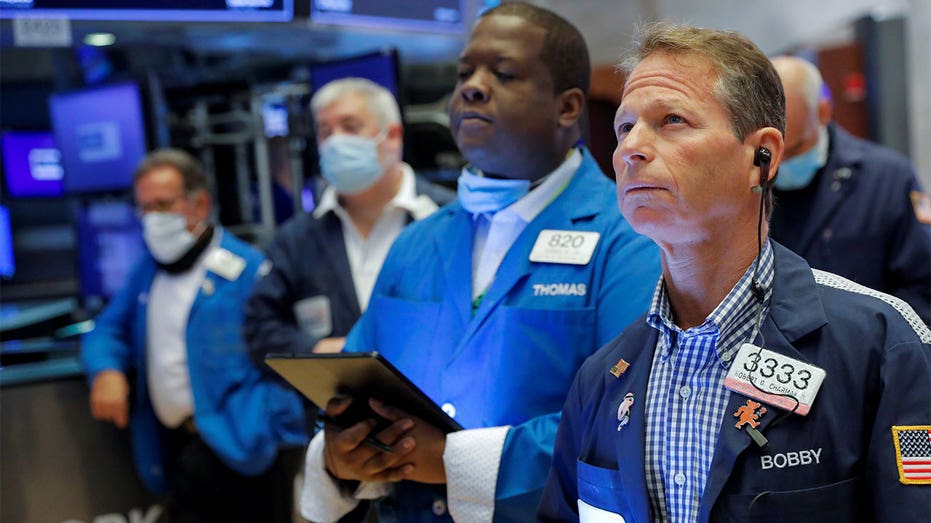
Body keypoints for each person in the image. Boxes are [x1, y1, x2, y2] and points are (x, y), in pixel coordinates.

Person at [540, 23, 931, 523]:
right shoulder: (600, 380)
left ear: (760, 158)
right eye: (624, 127)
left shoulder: (882, 347)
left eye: (672, 120)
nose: (630, 148)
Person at [299, 3, 660, 522]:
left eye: (504, 73)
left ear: (567, 108)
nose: (472, 86)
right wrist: (340, 453)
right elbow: (354, 378)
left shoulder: (626, 240)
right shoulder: (417, 241)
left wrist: (455, 461)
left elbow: (626, 423)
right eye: (465, 72)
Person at [81, 148, 307, 522]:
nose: (152, 218)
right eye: (145, 208)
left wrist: (263, 425)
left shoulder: (246, 269)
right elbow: (107, 329)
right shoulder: (147, 270)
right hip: (174, 447)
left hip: (241, 447)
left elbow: (283, 346)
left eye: (163, 204)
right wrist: (106, 370)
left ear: (199, 204)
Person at [244, 77, 454, 366]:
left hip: (436, 404)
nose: (335, 142)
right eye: (324, 131)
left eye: (350, 127)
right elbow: (260, 329)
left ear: (392, 135)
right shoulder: (296, 239)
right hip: (336, 406)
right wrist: (315, 351)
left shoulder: (448, 218)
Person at [768, 55, 931, 324]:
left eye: (794, 149)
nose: (780, 163)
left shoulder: (887, 178)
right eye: (771, 150)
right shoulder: (747, 179)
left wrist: (875, 345)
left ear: (823, 112)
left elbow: (922, 287)